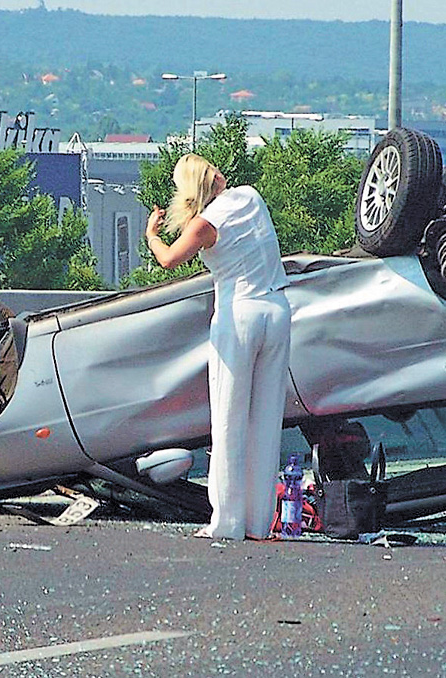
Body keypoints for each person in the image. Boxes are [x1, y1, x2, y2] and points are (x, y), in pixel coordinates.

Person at [145, 153, 291, 540]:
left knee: (228, 420)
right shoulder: (249, 196)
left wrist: (152, 235)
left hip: (237, 313)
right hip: (277, 309)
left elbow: (168, 261)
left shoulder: (202, 227)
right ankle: (260, 521)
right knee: (266, 419)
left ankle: (226, 522)